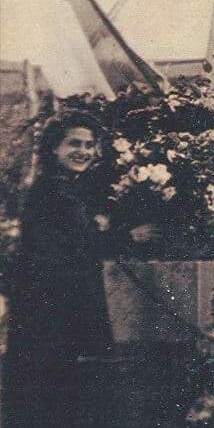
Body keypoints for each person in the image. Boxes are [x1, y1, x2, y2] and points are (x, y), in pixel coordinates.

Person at [3, 110, 159, 428]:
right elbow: (75, 247)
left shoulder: (63, 188)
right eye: (74, 143)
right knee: (59, 402)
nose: (84, 151)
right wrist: (127, 236)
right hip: (52, 317)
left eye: (89, 145)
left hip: (58, 313)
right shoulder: (52, 192)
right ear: (53, 149)